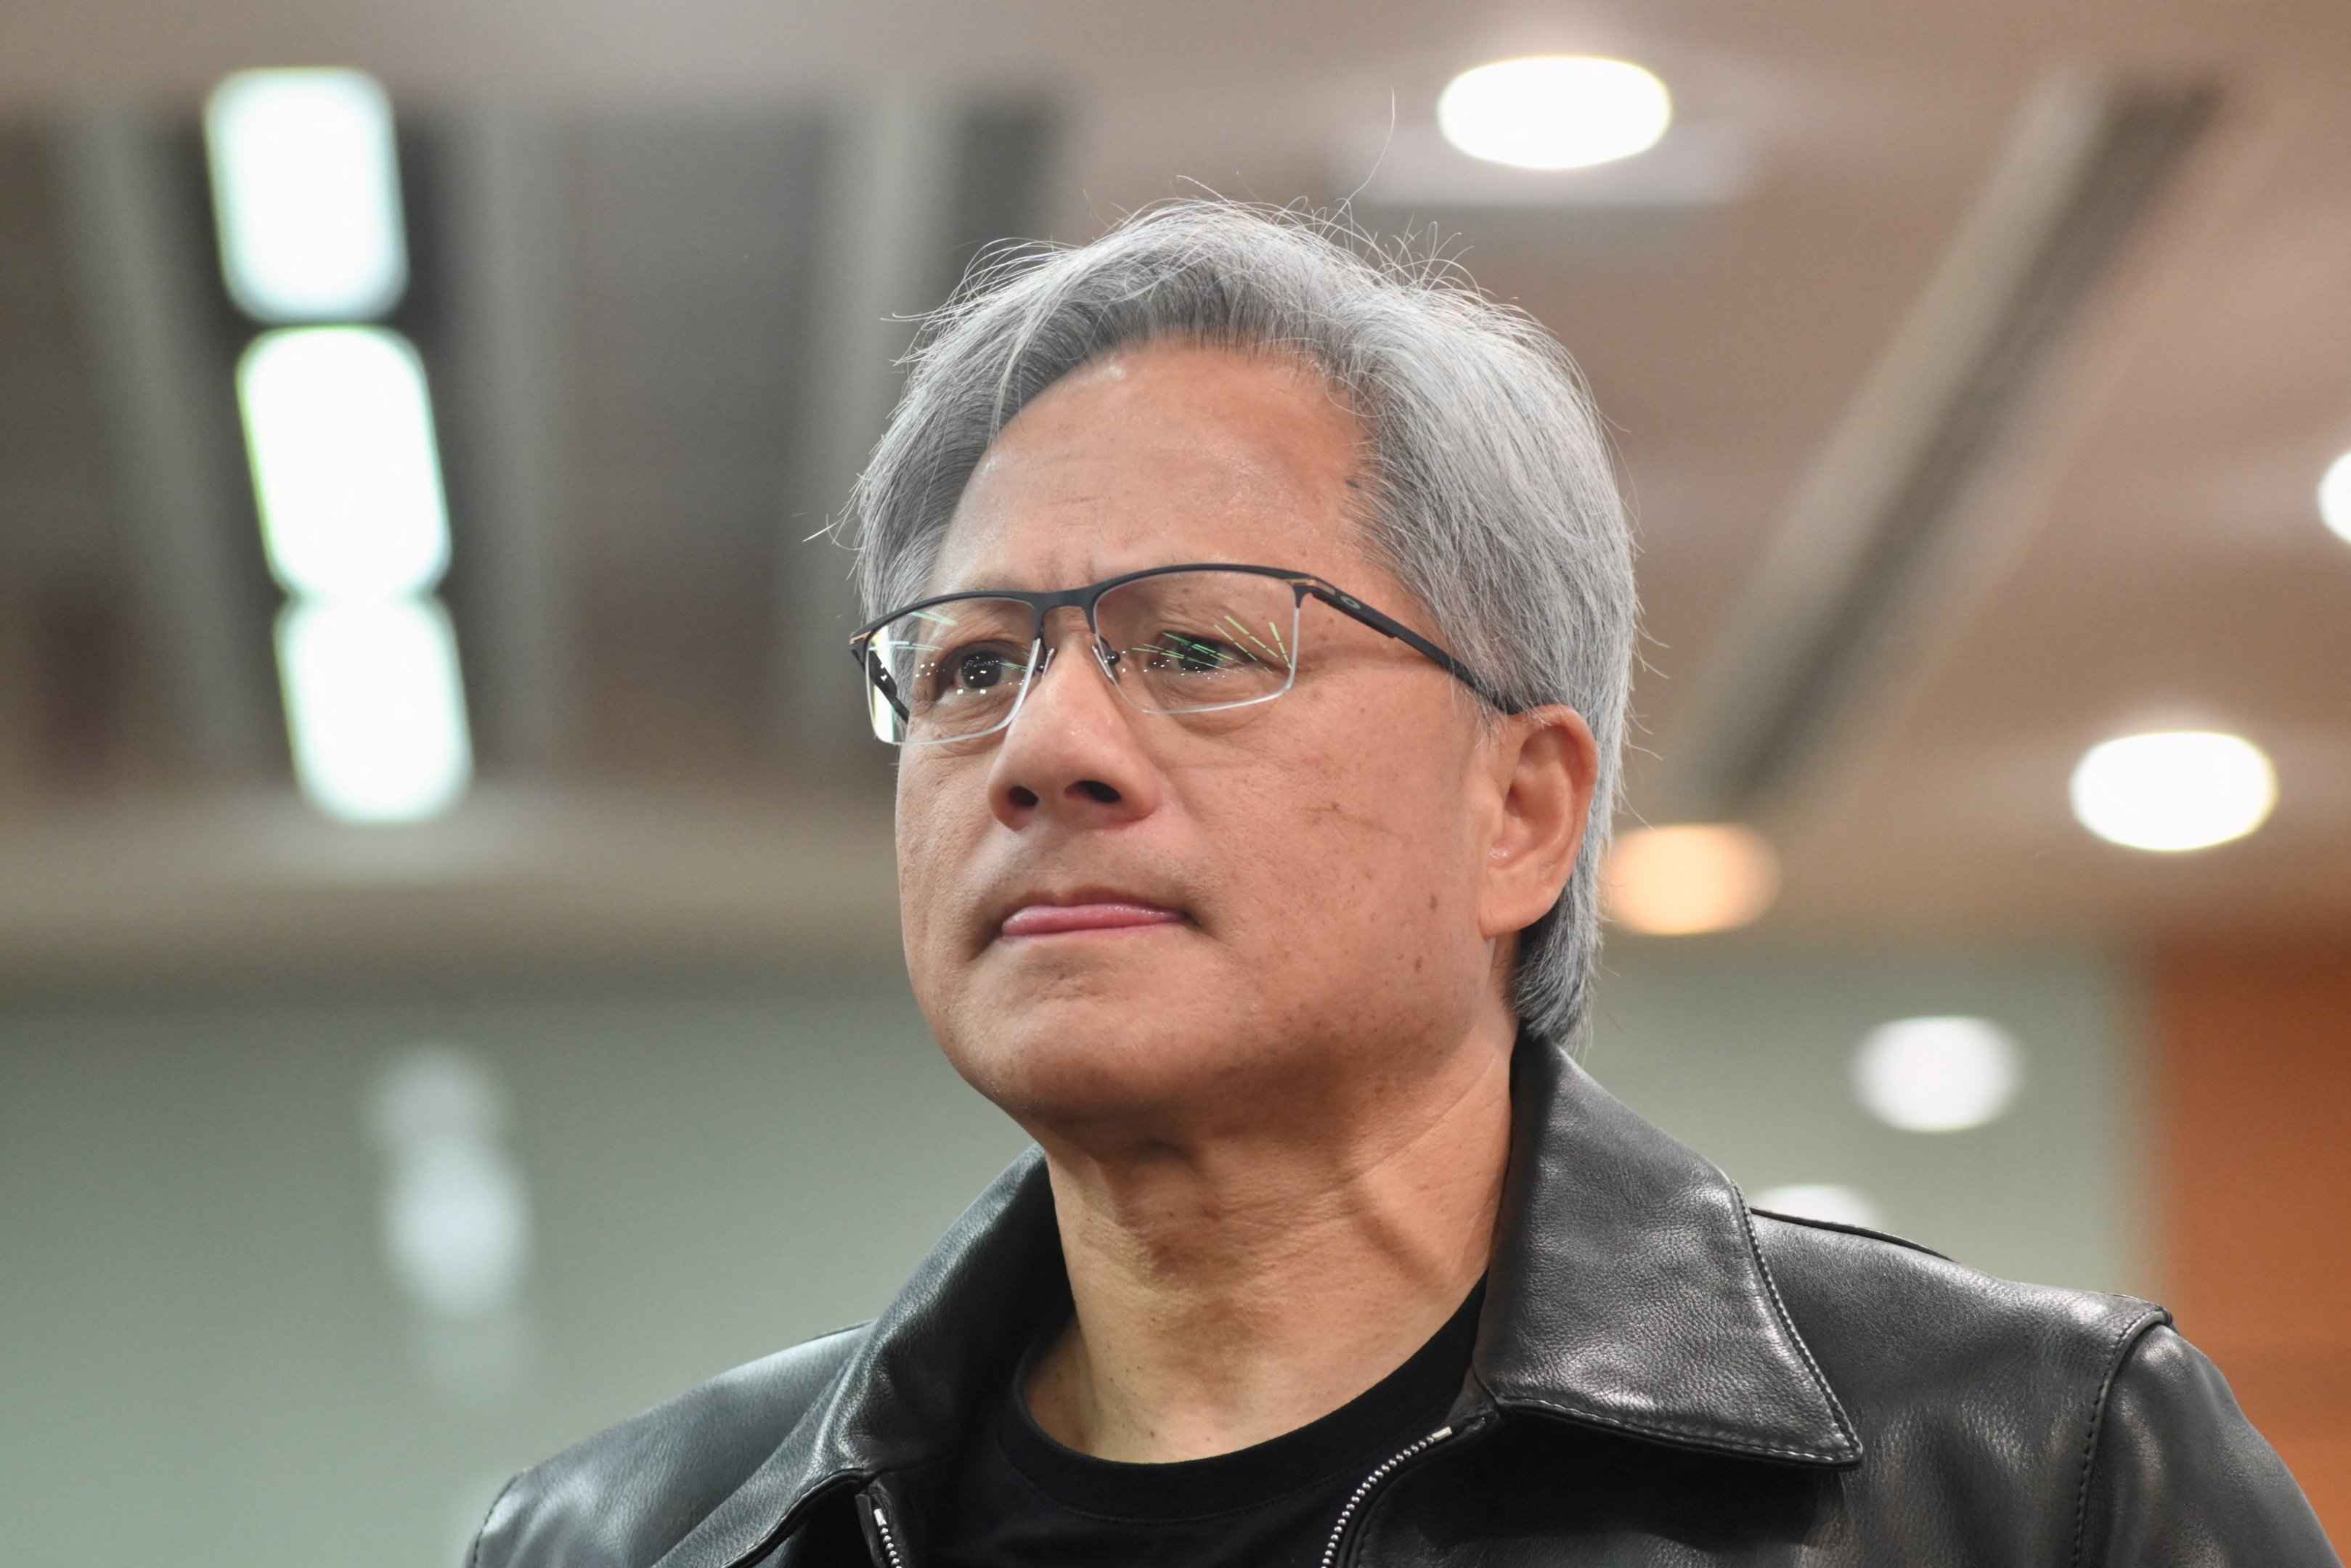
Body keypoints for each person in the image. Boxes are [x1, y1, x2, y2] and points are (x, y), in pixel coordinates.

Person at [468, 202, 2337, 1567]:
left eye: (1194, 648)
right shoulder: (629, 1539)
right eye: (967, 665)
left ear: (1520, 810)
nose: (1041, 748)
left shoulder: (2025, 1480)